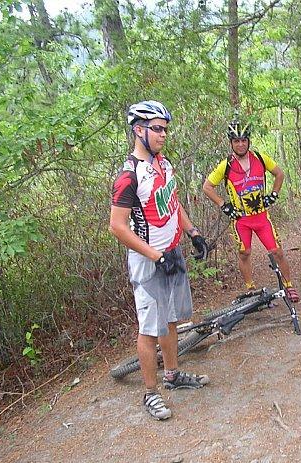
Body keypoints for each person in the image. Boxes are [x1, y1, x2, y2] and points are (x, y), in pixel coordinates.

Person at [109, 100, 210, 421]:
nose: (163, 134)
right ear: (138, 131)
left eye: (165, 129)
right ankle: (150, 393)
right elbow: (117, 227)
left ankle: (173, 374)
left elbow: (173, 204)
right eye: (157, 128)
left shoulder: (163, 166)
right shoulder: (128, 177)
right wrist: (155, 255)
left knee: (170, 319)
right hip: (149, 260)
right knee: (149, 328)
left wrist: (193, 232)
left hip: (172, 252)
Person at [202, 118, 299, 303]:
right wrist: (223, 204)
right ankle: (250, 288)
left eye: (243, 140)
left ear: (249, 141)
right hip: (241, 220)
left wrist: (274, 194)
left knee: (277, 251)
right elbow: (207, 187)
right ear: (231, 143)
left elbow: (280, 174)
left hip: (262, 217)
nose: (240, 144)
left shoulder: (260, 158)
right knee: (244, 253)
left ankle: (289, 285)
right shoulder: (226, 165)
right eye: (236, 141)